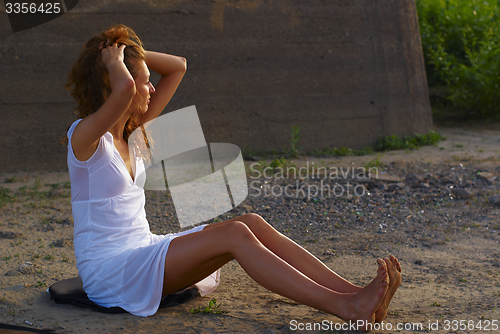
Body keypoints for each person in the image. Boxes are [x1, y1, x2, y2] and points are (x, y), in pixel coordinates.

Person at [65, 24, 402, 328]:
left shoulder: (132, 132)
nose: (151, 87)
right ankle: (345, 306)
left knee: (250, 221)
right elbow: (124, 89)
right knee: (235, 236)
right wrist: (114, 61)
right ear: (116, 81)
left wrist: (128, 52)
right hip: (111, 273)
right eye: (143, 80)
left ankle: (356, 295)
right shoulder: (85, 139)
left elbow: (178, 66)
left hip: (142, 249)